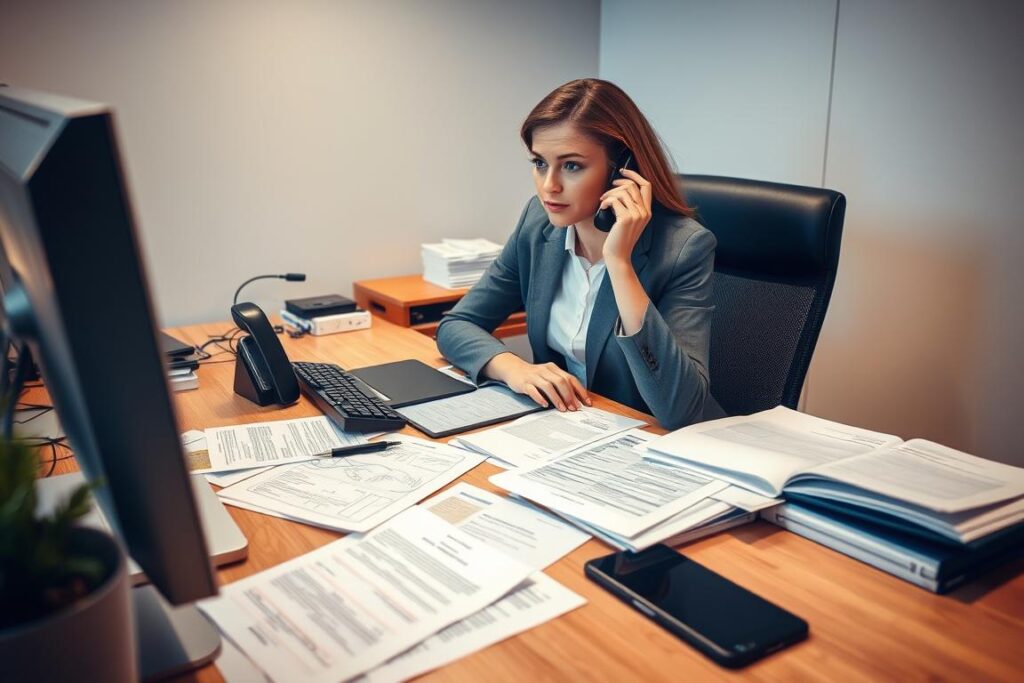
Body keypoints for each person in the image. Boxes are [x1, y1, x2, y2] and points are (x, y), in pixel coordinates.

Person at [436, 78, 717, 430]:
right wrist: (515, 369)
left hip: (655, 443)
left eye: (571, 166)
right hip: (567, 432)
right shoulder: (538, 225)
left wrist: (619, 264)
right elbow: (456, 325)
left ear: (621, 171)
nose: (548, 186)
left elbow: (680, 410)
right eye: (540, 163)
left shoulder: (683, 249)